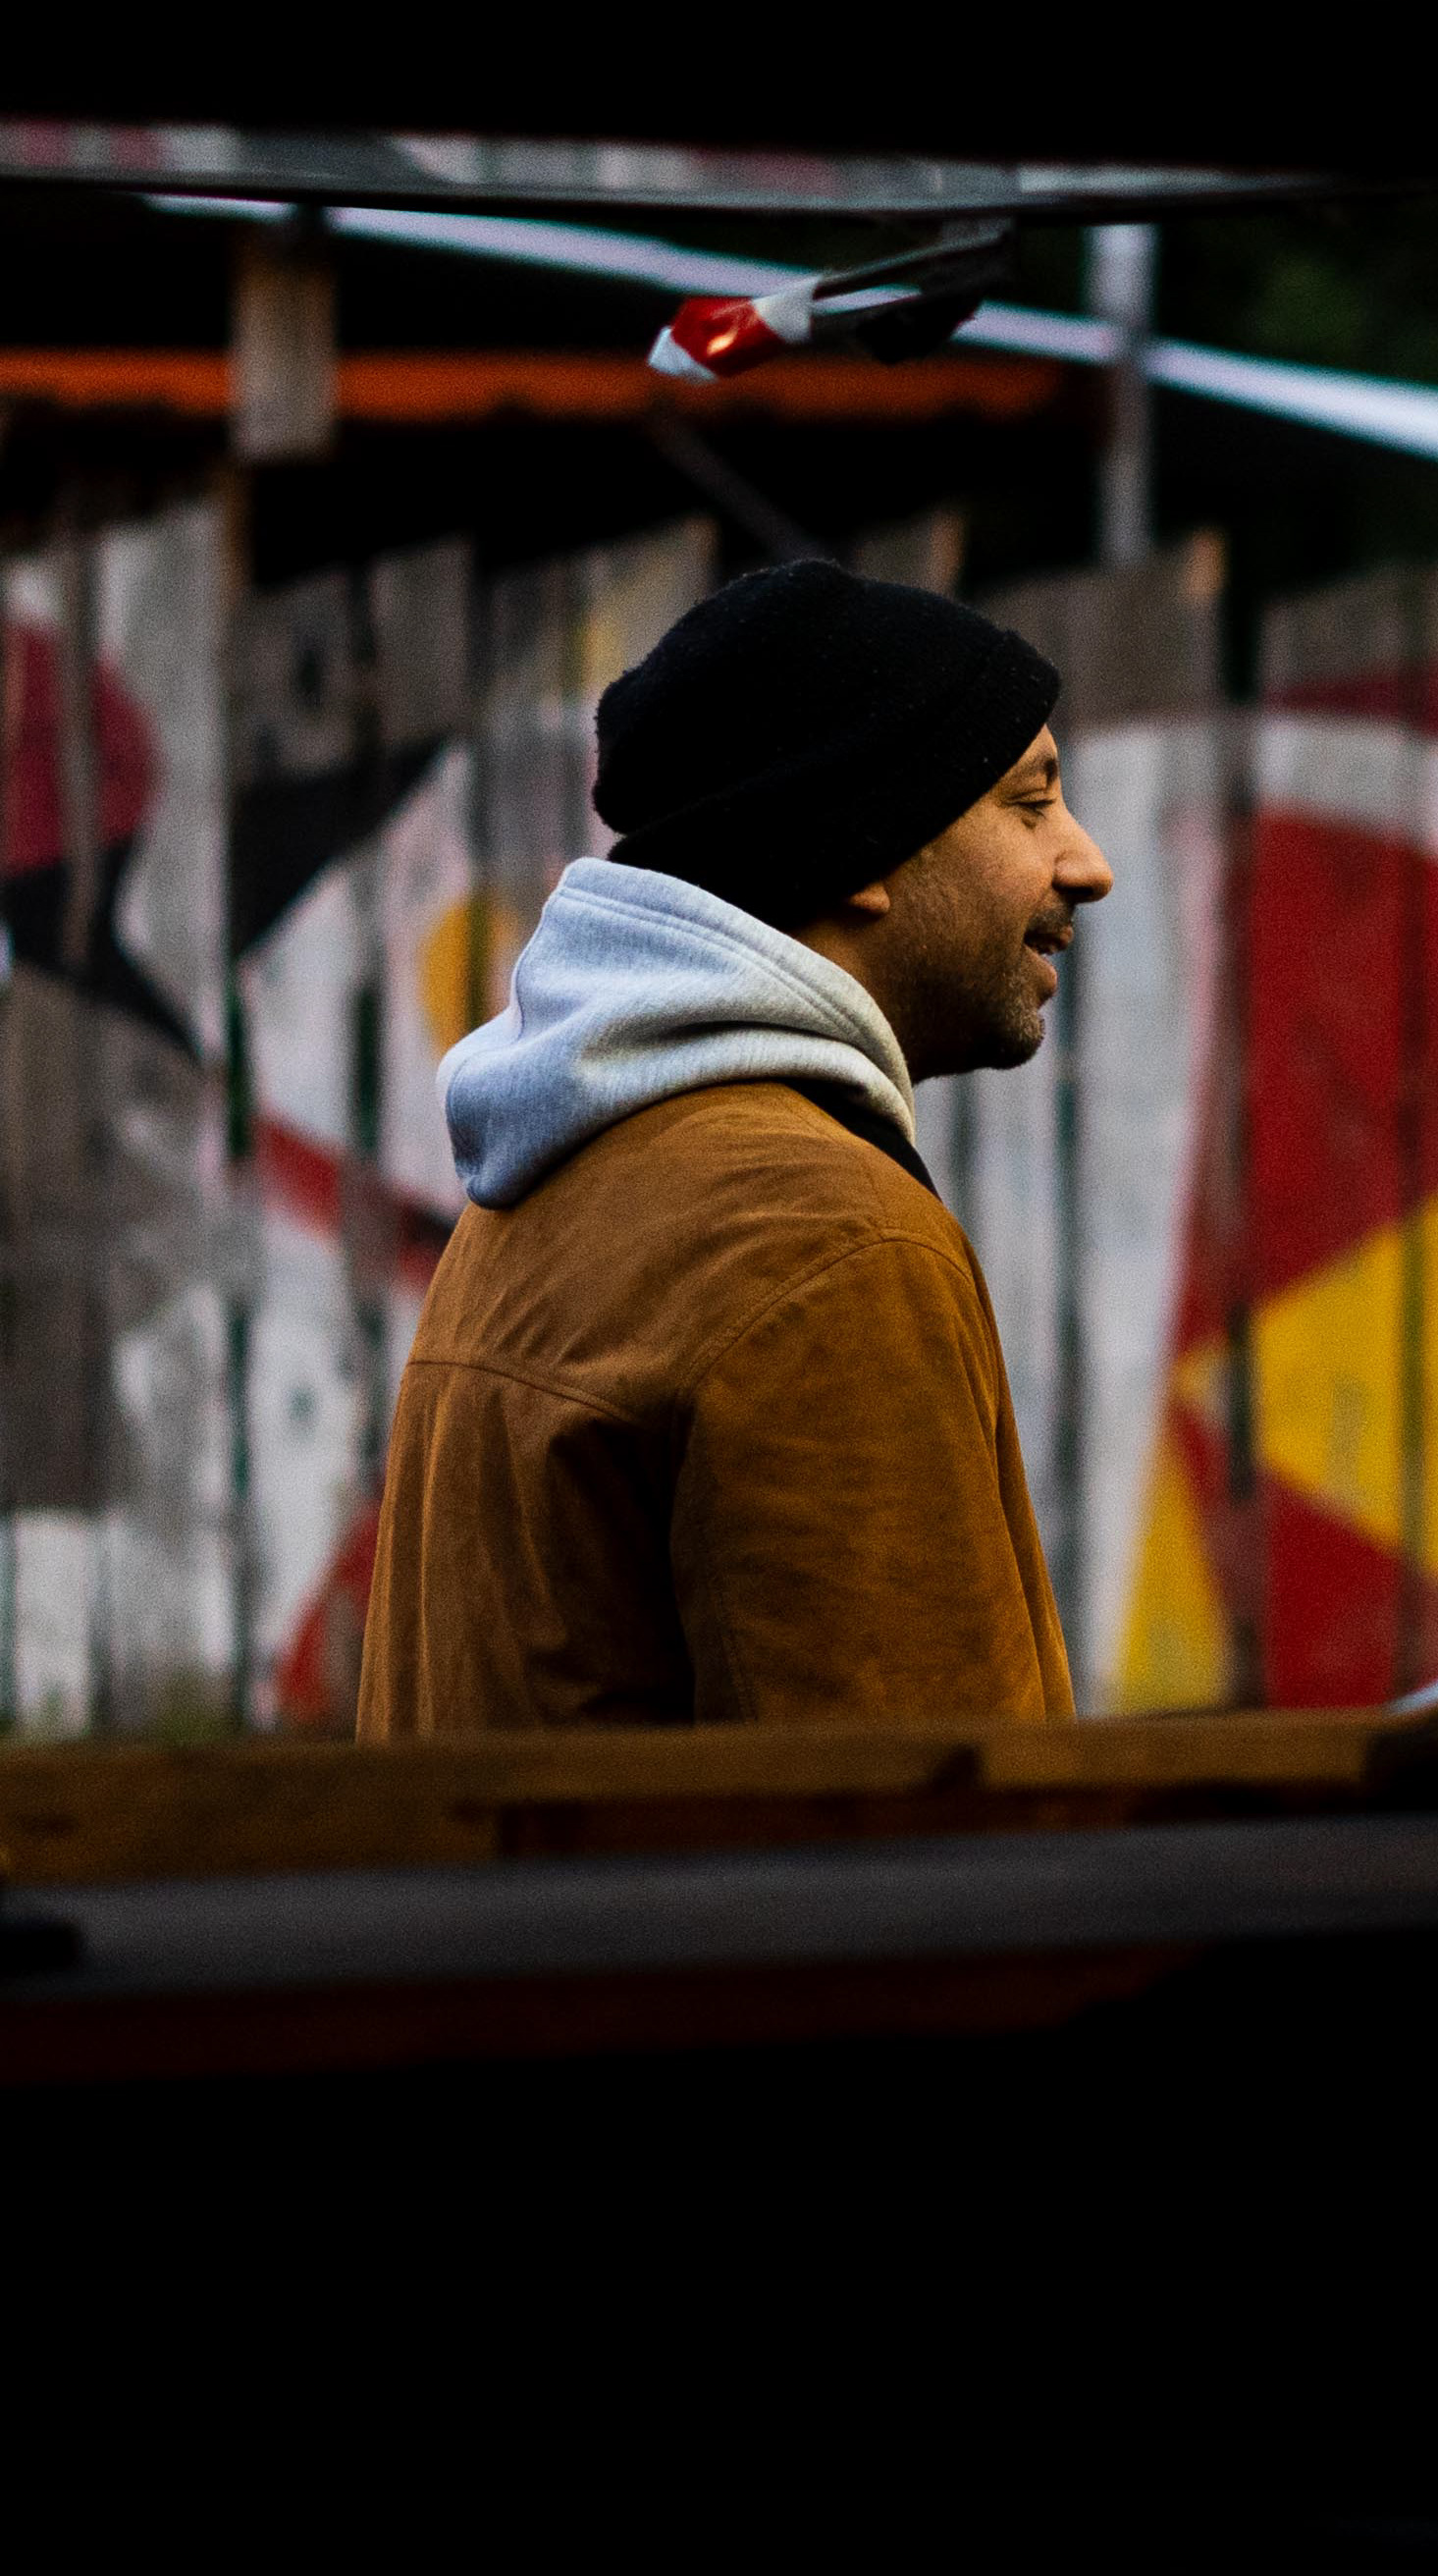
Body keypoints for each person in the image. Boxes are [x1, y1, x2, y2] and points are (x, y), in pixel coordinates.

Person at [361, 562, 1114, 1731]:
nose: (1087, 864)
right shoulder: (826, 1247)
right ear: (866, 843)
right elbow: (923, 1816)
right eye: (1030, 803)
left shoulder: (538, 1196)